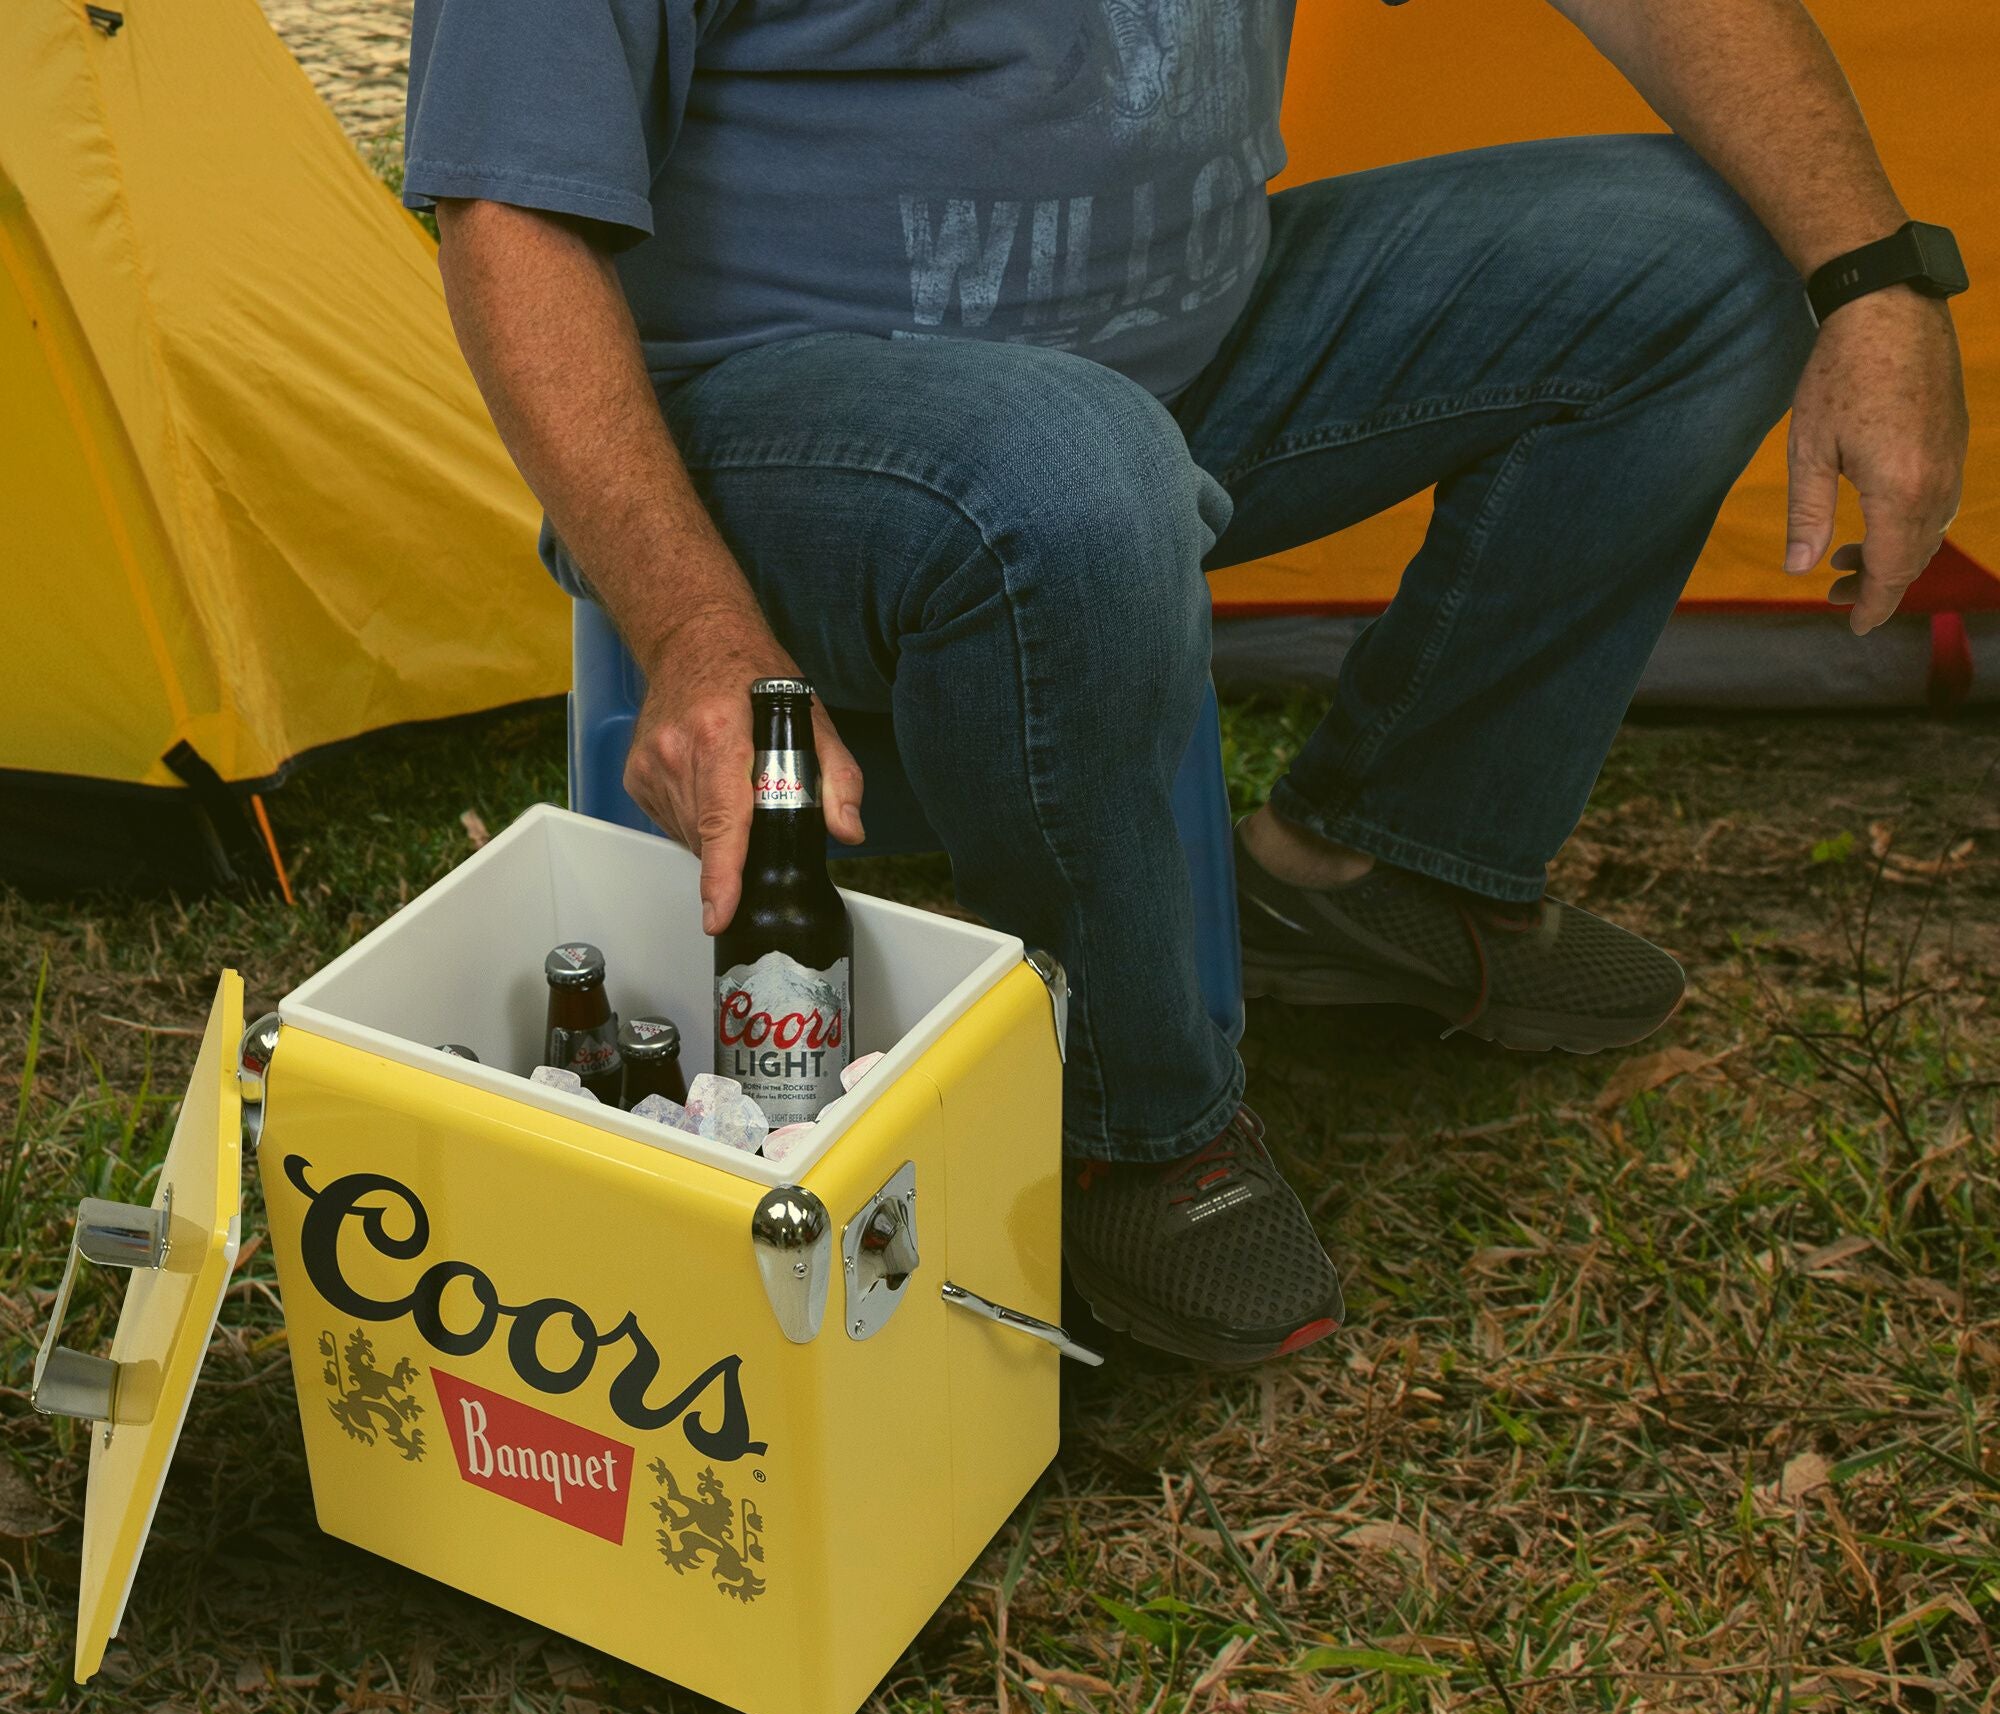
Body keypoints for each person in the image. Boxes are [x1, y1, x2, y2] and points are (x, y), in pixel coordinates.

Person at [404, 0, 1968, 1368]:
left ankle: (1384, 864)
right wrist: (691, 626)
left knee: (1708, 262)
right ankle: (1123, 1134)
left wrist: (1881, 285)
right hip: (778, 417)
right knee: (1074, 473)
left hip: (1194, 357)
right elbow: (507, 220)